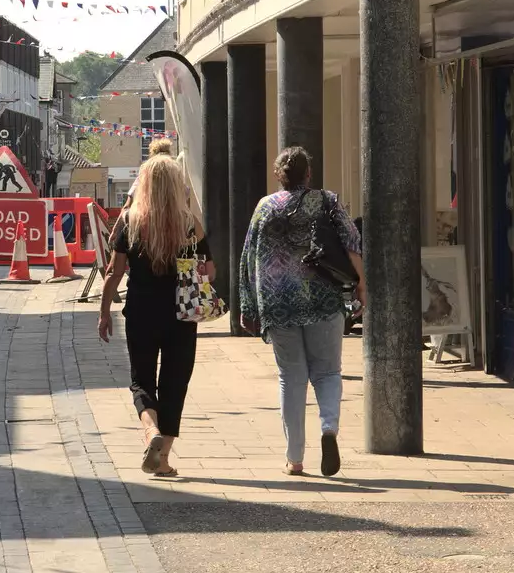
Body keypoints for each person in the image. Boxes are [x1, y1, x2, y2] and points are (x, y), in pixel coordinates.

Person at [237, 146, 366, 478]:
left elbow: (248, 257)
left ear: (279, 175)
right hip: (322, 299)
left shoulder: (264, 208)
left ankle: (295, 458)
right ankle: (329, 429)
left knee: (291, 378)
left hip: (278, 305)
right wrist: (362, 284)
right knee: (327, 372)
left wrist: (249, 304)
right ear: (308, 173)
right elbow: (352, 242)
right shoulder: (326, 201)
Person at [97, 155, 210, 478]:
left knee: (142, 380)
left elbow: (113, 273)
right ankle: (162, 459)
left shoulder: (131, 221)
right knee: (175, 383)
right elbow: (210, 269)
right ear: (177, 187)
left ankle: (150, 432)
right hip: (181, 314)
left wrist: (105, 313)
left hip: (141, 312)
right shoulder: (190, 223)